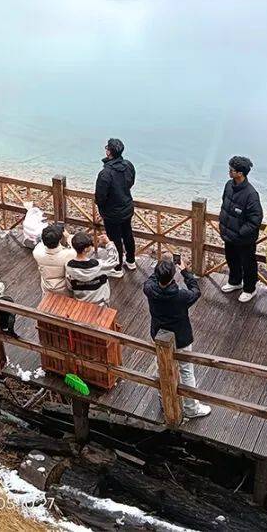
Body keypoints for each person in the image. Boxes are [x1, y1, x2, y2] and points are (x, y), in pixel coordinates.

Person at [143, 257, 211, 419]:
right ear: (173, 276)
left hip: (158, 334)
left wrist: (161, 268)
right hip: (181, 337)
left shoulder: (150, 289)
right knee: (186, 371)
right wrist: (185, 272)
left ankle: (163, 398)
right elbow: (196, 290)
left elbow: (151, 278)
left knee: (161, 367)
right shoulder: (181, 296)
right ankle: (190, 407)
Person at [218, 156, 263, 303]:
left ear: (240, 173)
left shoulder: (251, 194)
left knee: (248, 264)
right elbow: (224, 203)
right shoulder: (228, 185)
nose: (229, 172)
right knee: (231, 260)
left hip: (244, 239)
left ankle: (250, 289)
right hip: (229, 235)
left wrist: (240, 232)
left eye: (231, 170)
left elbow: (256, 218)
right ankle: (235, 282)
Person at [95, 138, 136, 271]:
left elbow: (100, 196)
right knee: (128, 233)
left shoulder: (105, 174)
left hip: (112, 213)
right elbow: (130, 182)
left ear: (109, 152)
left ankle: (117, 267)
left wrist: (102, 209)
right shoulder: (128, 165)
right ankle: (131, 261)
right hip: (127, 207)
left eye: (106, 147)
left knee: (114, 239)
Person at [65, 231, 121, 305]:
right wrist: (109, 243)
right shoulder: (98, 266)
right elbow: (114, 261)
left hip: (81, 301)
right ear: (85, 249)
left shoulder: (68, 266)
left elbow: (69, 286)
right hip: (100, 302)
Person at [33, 224, 76, 297]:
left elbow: (41, 244)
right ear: (60, 239)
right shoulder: (70, 254)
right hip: (64, 290)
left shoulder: (37, 252)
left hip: (46, 289)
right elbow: (77, 247)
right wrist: (68, 237)